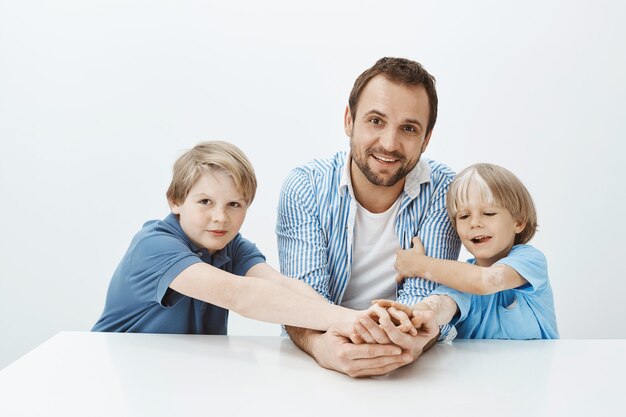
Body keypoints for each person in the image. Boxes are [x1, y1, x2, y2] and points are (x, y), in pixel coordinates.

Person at [92, 140, 426, 339]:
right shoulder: (154, 245)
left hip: (180, 377)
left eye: (234, 204)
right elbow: (241, 295)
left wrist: (347, 322)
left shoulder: (230, 247)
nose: (220, 217)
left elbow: (282, 285)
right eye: (205, 202)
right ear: (175, 200)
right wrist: (350, 319)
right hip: (119, 372)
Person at [276, 57, 470, 377]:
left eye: (408, 128)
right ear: (349, 120)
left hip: (410, 371)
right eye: (376, 121)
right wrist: (322, 348)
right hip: (312, 369)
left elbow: (421, 302)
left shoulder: (444, 190)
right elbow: (304, 305)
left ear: (426, 139)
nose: (389, 144)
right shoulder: (305, 186)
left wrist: (405, 339)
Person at [377, 163, 558, 339]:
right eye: (464, 216)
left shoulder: (529, 260)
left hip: (536, 367)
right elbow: (441, 304)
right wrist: (413, 314)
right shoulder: (460, 280)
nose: (474, 223)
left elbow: (484, 281)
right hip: (477, 369)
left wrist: (418, 265)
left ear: (518, 222)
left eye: (488, 213)